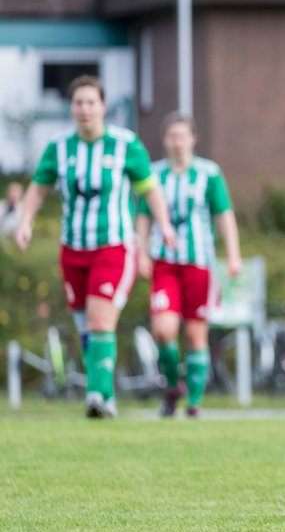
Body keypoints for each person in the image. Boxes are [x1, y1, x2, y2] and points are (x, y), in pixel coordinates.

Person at [12, 75, 177, 418]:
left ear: (102, 106)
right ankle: (103, 394)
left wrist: (164, 225)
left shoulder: (125, 145)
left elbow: (150, 190)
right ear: (71, 108)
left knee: (101, 320)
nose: (85, 109)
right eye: (78, 103)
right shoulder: (58, 148)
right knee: (86, 327)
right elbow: (38, 189)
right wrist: (25, 222)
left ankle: (97, 397)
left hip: (113, 247)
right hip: (73, 248)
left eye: (91, 102)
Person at [135, 112, 242, 418]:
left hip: (199, 263)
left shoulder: (209, 173)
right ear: (164, 140)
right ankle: (172, 386)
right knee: (164, 330)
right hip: (165, 263)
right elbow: (143, 215)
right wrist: (141, 252)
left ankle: (194, 402)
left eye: (183, 136)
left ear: (193, 139)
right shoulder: (154, 175)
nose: (177, 142)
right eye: (172, 136)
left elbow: (224, 215)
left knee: (196, 334)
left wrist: (233, 254)